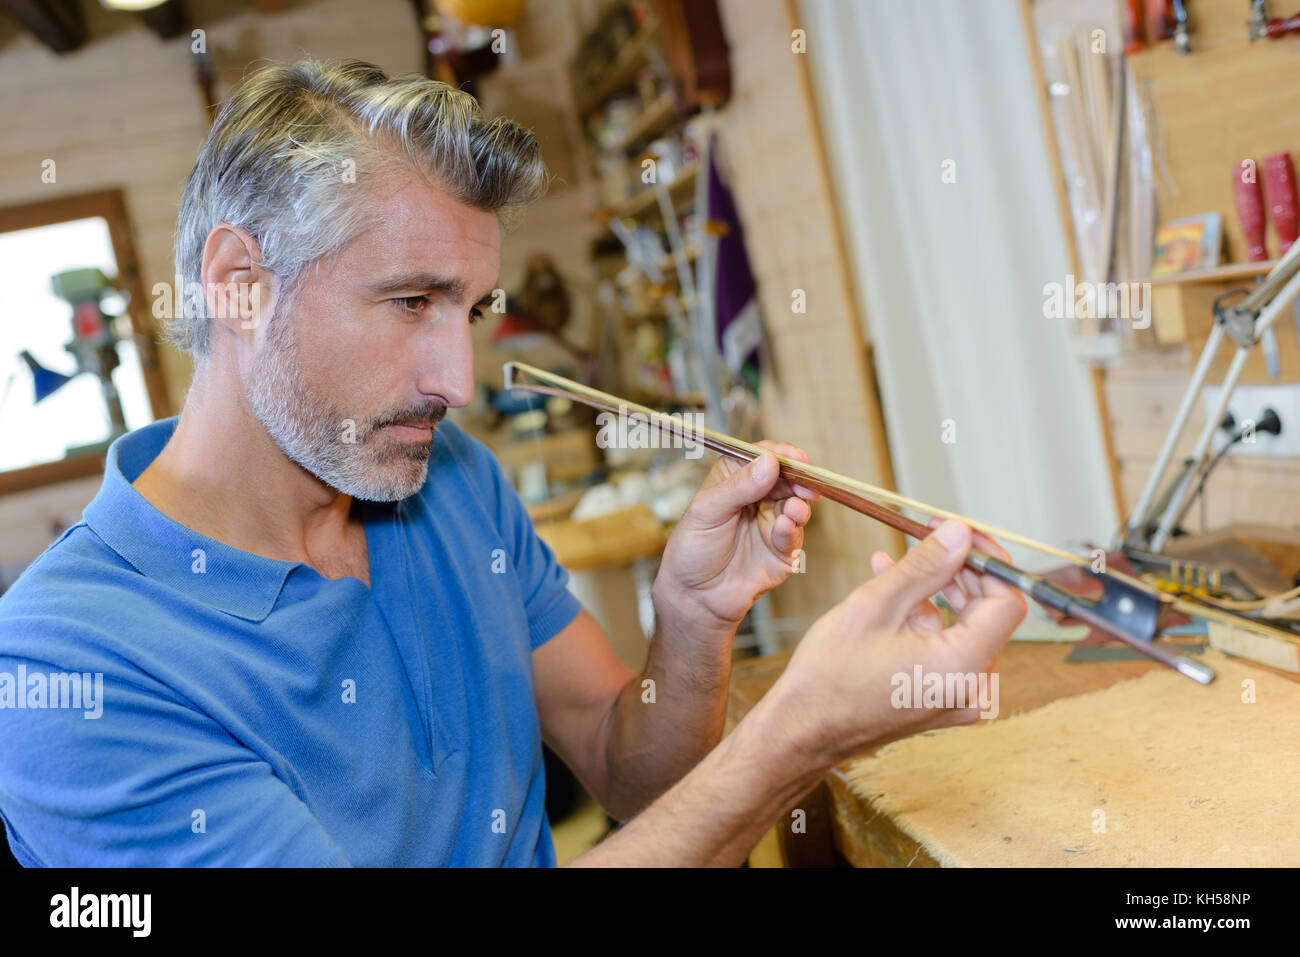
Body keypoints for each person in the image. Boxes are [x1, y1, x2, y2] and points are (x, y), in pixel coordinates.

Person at [0, 59, 1025, 867]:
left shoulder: (451, 485)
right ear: (239, 285)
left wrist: (692, 621)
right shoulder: (66, 668)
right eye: (411, 302)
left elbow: (631, 776)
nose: (458, 377)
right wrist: (794, 737)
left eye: (473, 309)